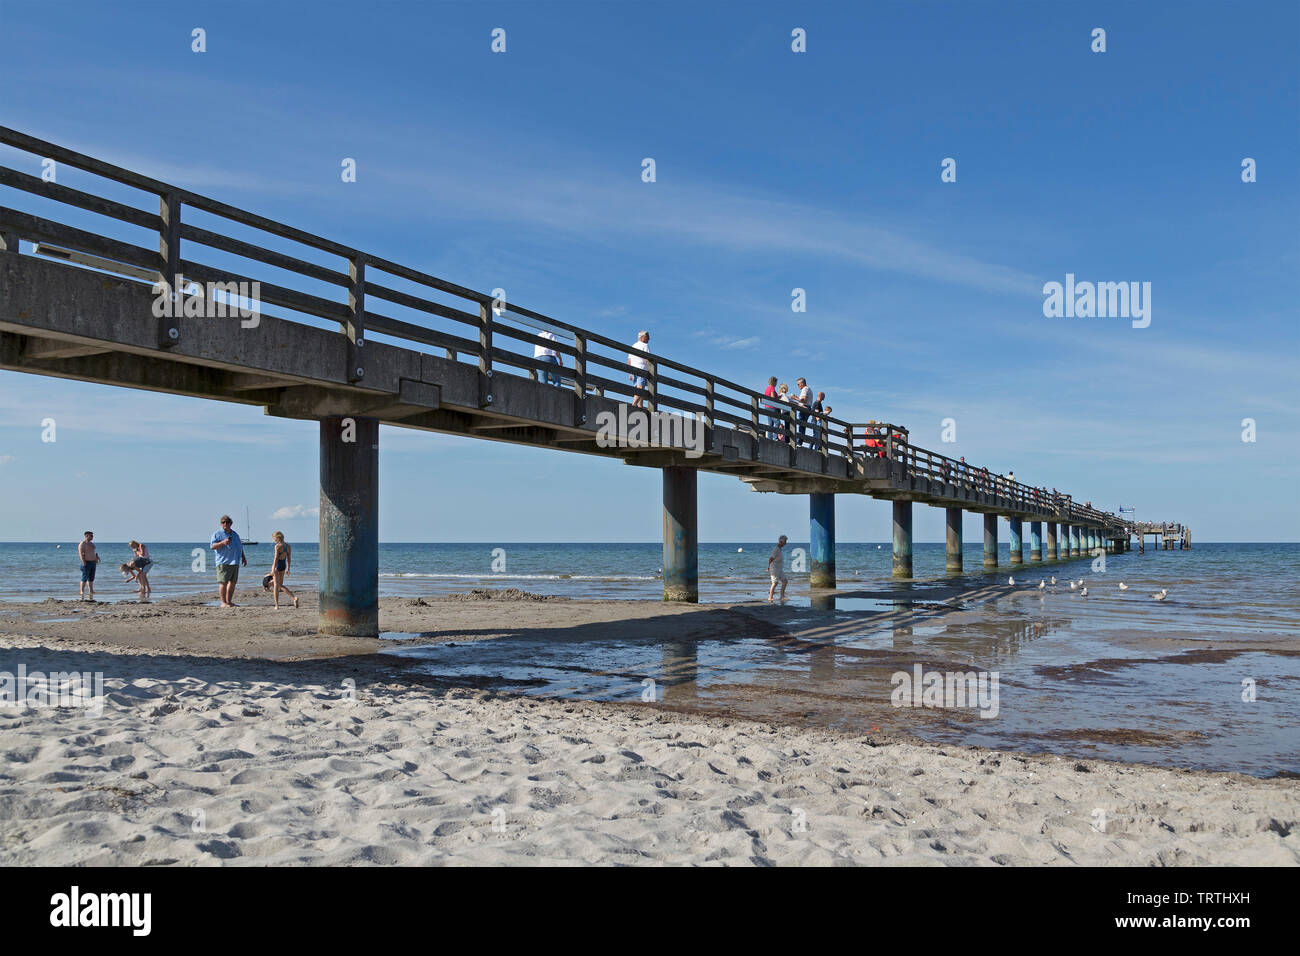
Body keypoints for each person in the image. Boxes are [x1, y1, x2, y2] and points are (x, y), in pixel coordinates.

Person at [210, 514, 248, 607]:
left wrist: (243, 556)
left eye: (227, 522)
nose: (225, 524)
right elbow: (212, 546)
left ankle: (229, 601)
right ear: (221, 524)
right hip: (223, 562)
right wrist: (223, 543)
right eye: (223, 522)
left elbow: (239, 546)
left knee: (233, 583)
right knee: (223, 582)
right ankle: (223, 602)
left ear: (231, 523)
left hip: (235, 561)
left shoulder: (235, 534)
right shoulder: (217, 534)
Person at [268, 531, 299, 609]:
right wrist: (288, 568)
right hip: (283, 566)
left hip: (277, 566)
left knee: (276, 586)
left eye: (274, 538)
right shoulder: (288, 546)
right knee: (280, 585)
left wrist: (272, 569)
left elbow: (275, 558)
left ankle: (276, 605)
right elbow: (289, 558)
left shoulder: (277, 546)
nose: (274, 540)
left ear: (277, 538)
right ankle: (294, 598)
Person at [628, 330, 651, 408]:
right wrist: (651, 370)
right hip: (642, 369)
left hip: (634, 369)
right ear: (642, 337)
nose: (649, 339)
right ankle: (634, 405)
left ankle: (640, 405)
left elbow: (629, 360)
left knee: (639, 388)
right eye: (647, 337)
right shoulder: (645, 345)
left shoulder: (633, 345)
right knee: (641, 388)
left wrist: (630, 372)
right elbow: (648, 359)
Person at [77, 530, 99, 601]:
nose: (92, 537)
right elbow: (80, 553)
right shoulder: (83, 543)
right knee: (84, 577)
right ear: (86, 535)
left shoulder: (91, 544)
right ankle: (82, 591)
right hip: (86, 562)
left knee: (91, 578)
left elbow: (93, 552)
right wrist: (83, 561)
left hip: (93, 562)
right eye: (91, 535)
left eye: (92, 535)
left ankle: (91, 590)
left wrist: (97, 557)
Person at [767, 534, 789, 603]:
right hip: (774, 569)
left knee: (785, 581)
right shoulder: (776, 549)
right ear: (781, 541)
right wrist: (768, 567)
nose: (786, 543)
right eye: (785, 541)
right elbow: (770, 559)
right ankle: (770, 597)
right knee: (775, 583)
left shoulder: (779, 549)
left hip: (779, 569)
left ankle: (782, 596)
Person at [793, 378, 812, 446]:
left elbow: (803, 400)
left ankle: (799, 442)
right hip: (807, 408)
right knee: (802, 426)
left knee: (801, 425)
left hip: (804, 408)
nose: (798, 386)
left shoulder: (805, 389)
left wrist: (795, 398)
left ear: (802, 383)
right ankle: (800, 442)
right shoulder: (808, 389)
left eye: (798, 384)